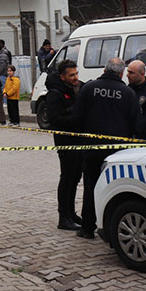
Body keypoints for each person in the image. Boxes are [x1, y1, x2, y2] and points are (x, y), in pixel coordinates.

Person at [72, 57, 141, 239]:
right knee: (116, 189)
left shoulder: (89, 88)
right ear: (121, 73)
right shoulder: (128, 93)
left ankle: (87, 228)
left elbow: (77, 117)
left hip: (92, 148)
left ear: (104, 70)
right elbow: (137, 123)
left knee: (90, 187)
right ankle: (112, 230)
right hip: (118, 152)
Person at [43, 59, 83, 231]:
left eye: (76, 74)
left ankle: (71, 213)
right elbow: (55, 119)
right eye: (71, 75)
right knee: (67, 177)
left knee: (75, 177)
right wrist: (75, 113)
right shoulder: (55, 94)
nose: (75, 77)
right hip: (66, 142)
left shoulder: (76, 88)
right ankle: (63, 217)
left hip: (79, 141)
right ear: (62, 77)